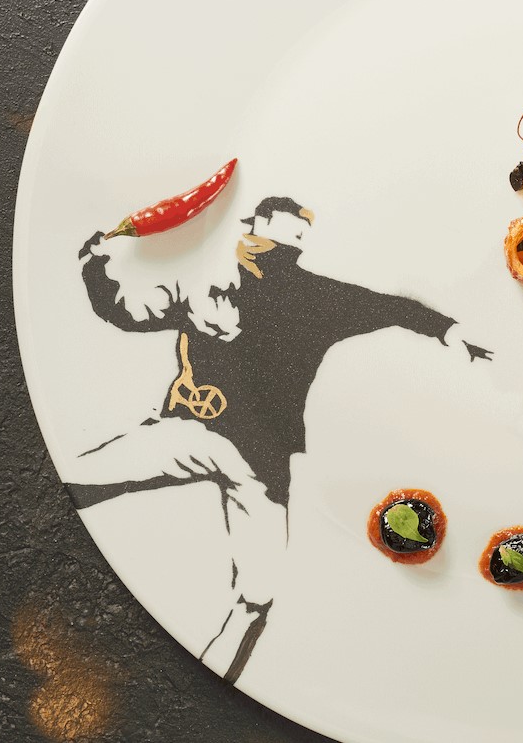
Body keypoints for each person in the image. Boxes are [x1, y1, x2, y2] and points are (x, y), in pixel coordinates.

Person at [63, 196, 485, 683]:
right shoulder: (210, 281)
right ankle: (225, 670)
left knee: (256, 597)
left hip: (256, 462)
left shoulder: (310, 296)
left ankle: (223, 673)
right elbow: (127, 311)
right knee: (88, 478)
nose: (293, 236)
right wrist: (95, 268)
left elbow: (387, 308)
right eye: (288, 227)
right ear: (256, 222)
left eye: (298, 231)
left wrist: (447, 330)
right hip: (201, 433)